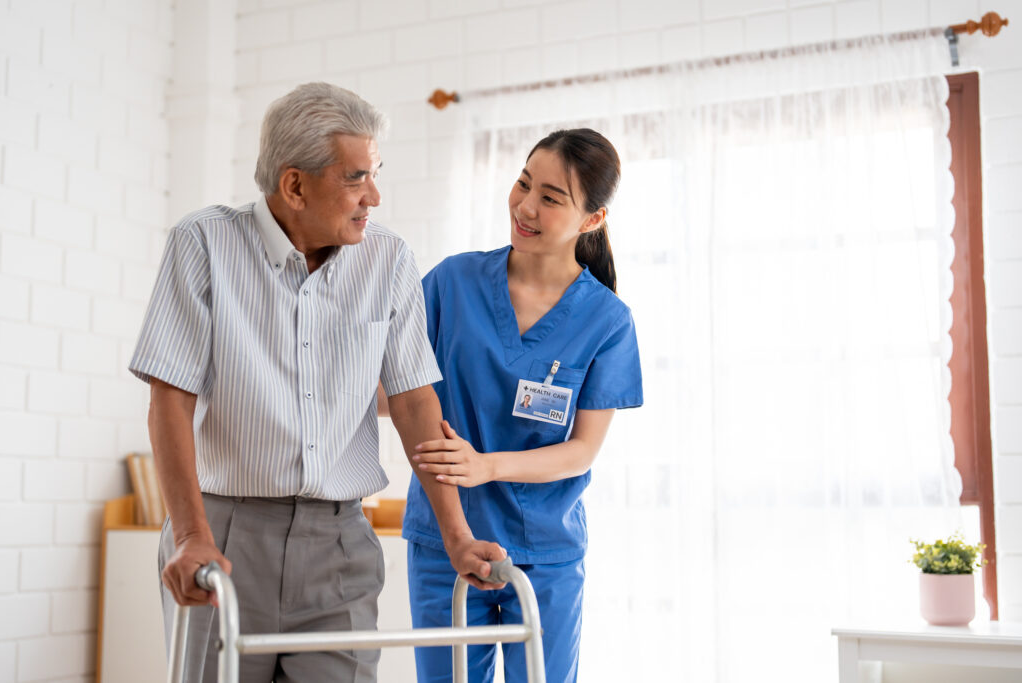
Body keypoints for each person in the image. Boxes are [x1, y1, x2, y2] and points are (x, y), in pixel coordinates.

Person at [129, 82, 504, 683]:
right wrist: (191, 536)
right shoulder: (203, 243)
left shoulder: (389, 260)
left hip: (338, 546)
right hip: (224, 535)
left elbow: (412, 401)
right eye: (356, 178)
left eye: (375, 174)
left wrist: (458, 537)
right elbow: (169, 398)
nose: (374, 197)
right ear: (295, 185)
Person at [401, 128, 644, 682]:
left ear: (592, 220)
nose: (526, 206)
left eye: (552, 198)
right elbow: (397, 397)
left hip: (545, 551)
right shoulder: (452, 283)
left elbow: (581, 452)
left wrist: (486, 465)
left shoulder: (606, 321)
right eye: (523, 183)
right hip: (445, 538)